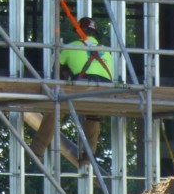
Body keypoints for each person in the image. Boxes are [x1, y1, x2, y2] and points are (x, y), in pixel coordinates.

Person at [30, 17, 113, 166]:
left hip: (82, 87)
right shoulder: (106, 51)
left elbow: (56, 71)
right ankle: (88, 158)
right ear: (95, 33)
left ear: (78, 32)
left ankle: (36, 151)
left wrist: (67, 72)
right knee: (93, 117)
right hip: (104, 92)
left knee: (56, 109)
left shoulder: (71, 47)